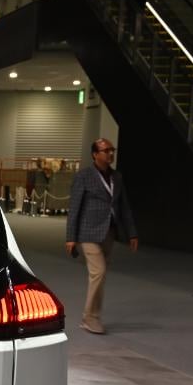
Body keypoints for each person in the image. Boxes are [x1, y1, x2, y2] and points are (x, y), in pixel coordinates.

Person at [66, 138, 139, 335]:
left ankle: (93, 316)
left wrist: (132, 232)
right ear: (95, 154)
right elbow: (74, 207)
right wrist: (71, 237)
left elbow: (124, 206)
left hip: (109, 232)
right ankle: (90, 318)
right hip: (87, 231)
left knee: (100, 275)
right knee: (99, 272)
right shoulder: (84, 176)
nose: (110, 153)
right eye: (106, 150)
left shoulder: (117, 177)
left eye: (112, 150)